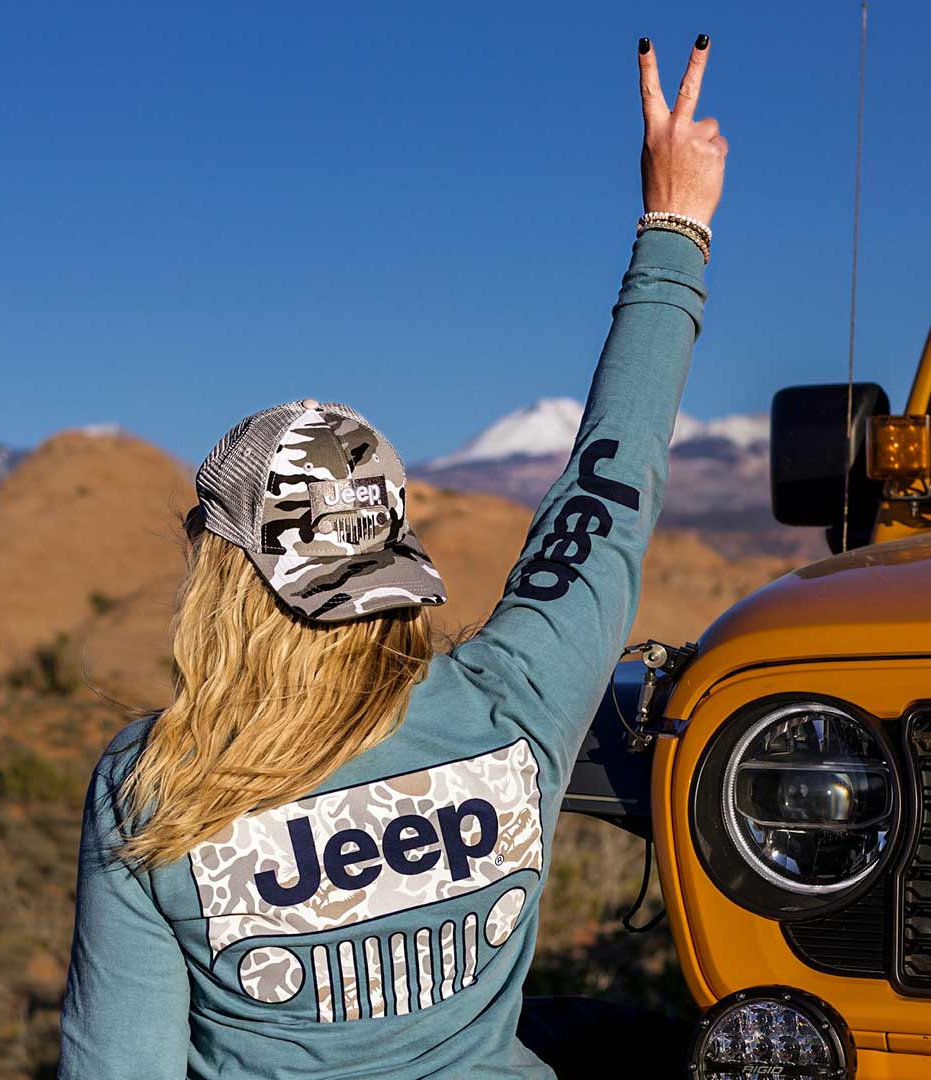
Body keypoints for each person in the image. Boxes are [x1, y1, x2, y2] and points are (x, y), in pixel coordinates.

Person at [59, 33, 726, 1080]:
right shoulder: (516, 700)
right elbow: (608, 489)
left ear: (226, 580)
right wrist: (674, 222)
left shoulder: (157, 790)